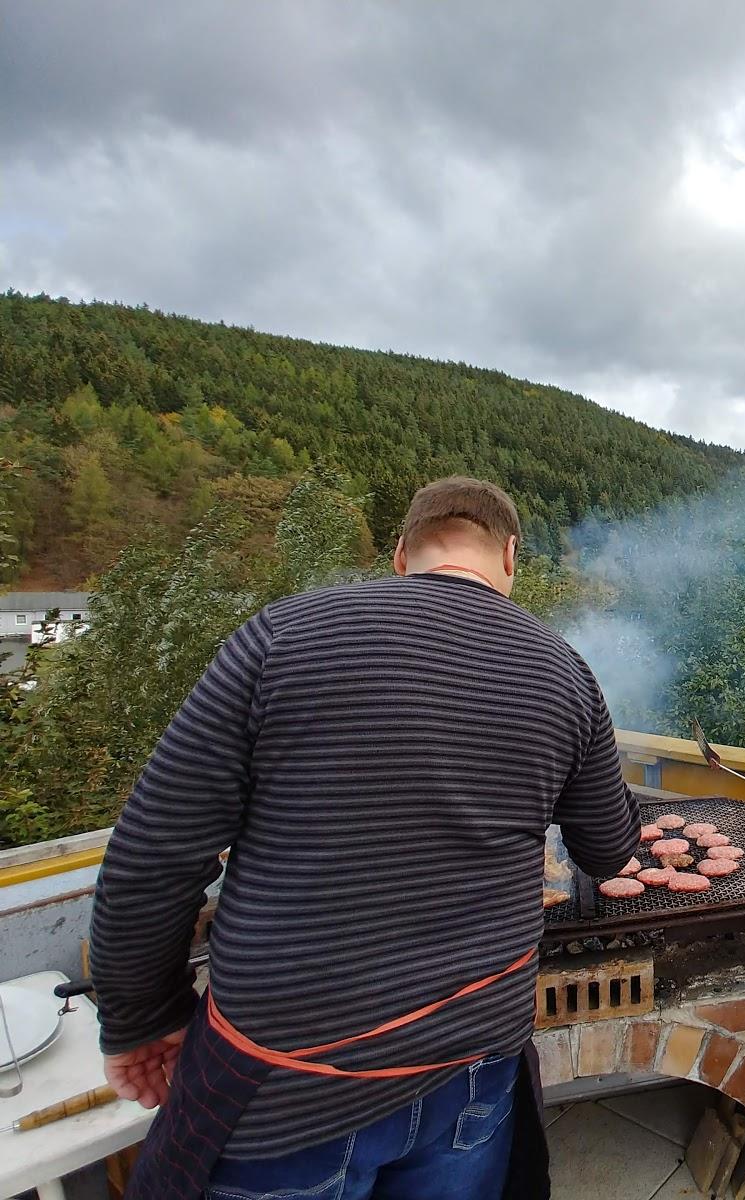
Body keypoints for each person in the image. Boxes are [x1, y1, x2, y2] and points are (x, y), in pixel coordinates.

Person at [88, 475, 641, 1200]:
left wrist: (143, 1017)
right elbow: (608, 852)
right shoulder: (564, 671)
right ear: (509, 555)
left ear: (400, 554)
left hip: (285, 1085)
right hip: (469, 1069)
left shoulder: (281, 634)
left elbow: (153, 855)